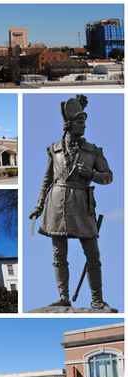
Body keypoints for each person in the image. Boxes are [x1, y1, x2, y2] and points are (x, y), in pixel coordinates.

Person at [29, 95, 117, 312]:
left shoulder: (93, 151)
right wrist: (39, 205)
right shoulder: (54, 150)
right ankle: (64, 297)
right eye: (79, 122)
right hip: (56, 205)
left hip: (82, 205)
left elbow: (109, 176)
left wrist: (93, 174)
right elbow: (47, 180)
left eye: (84, 122)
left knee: (93, 255)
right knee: (59, 256)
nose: (83, 126)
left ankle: (97, 300)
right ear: (68, 125)